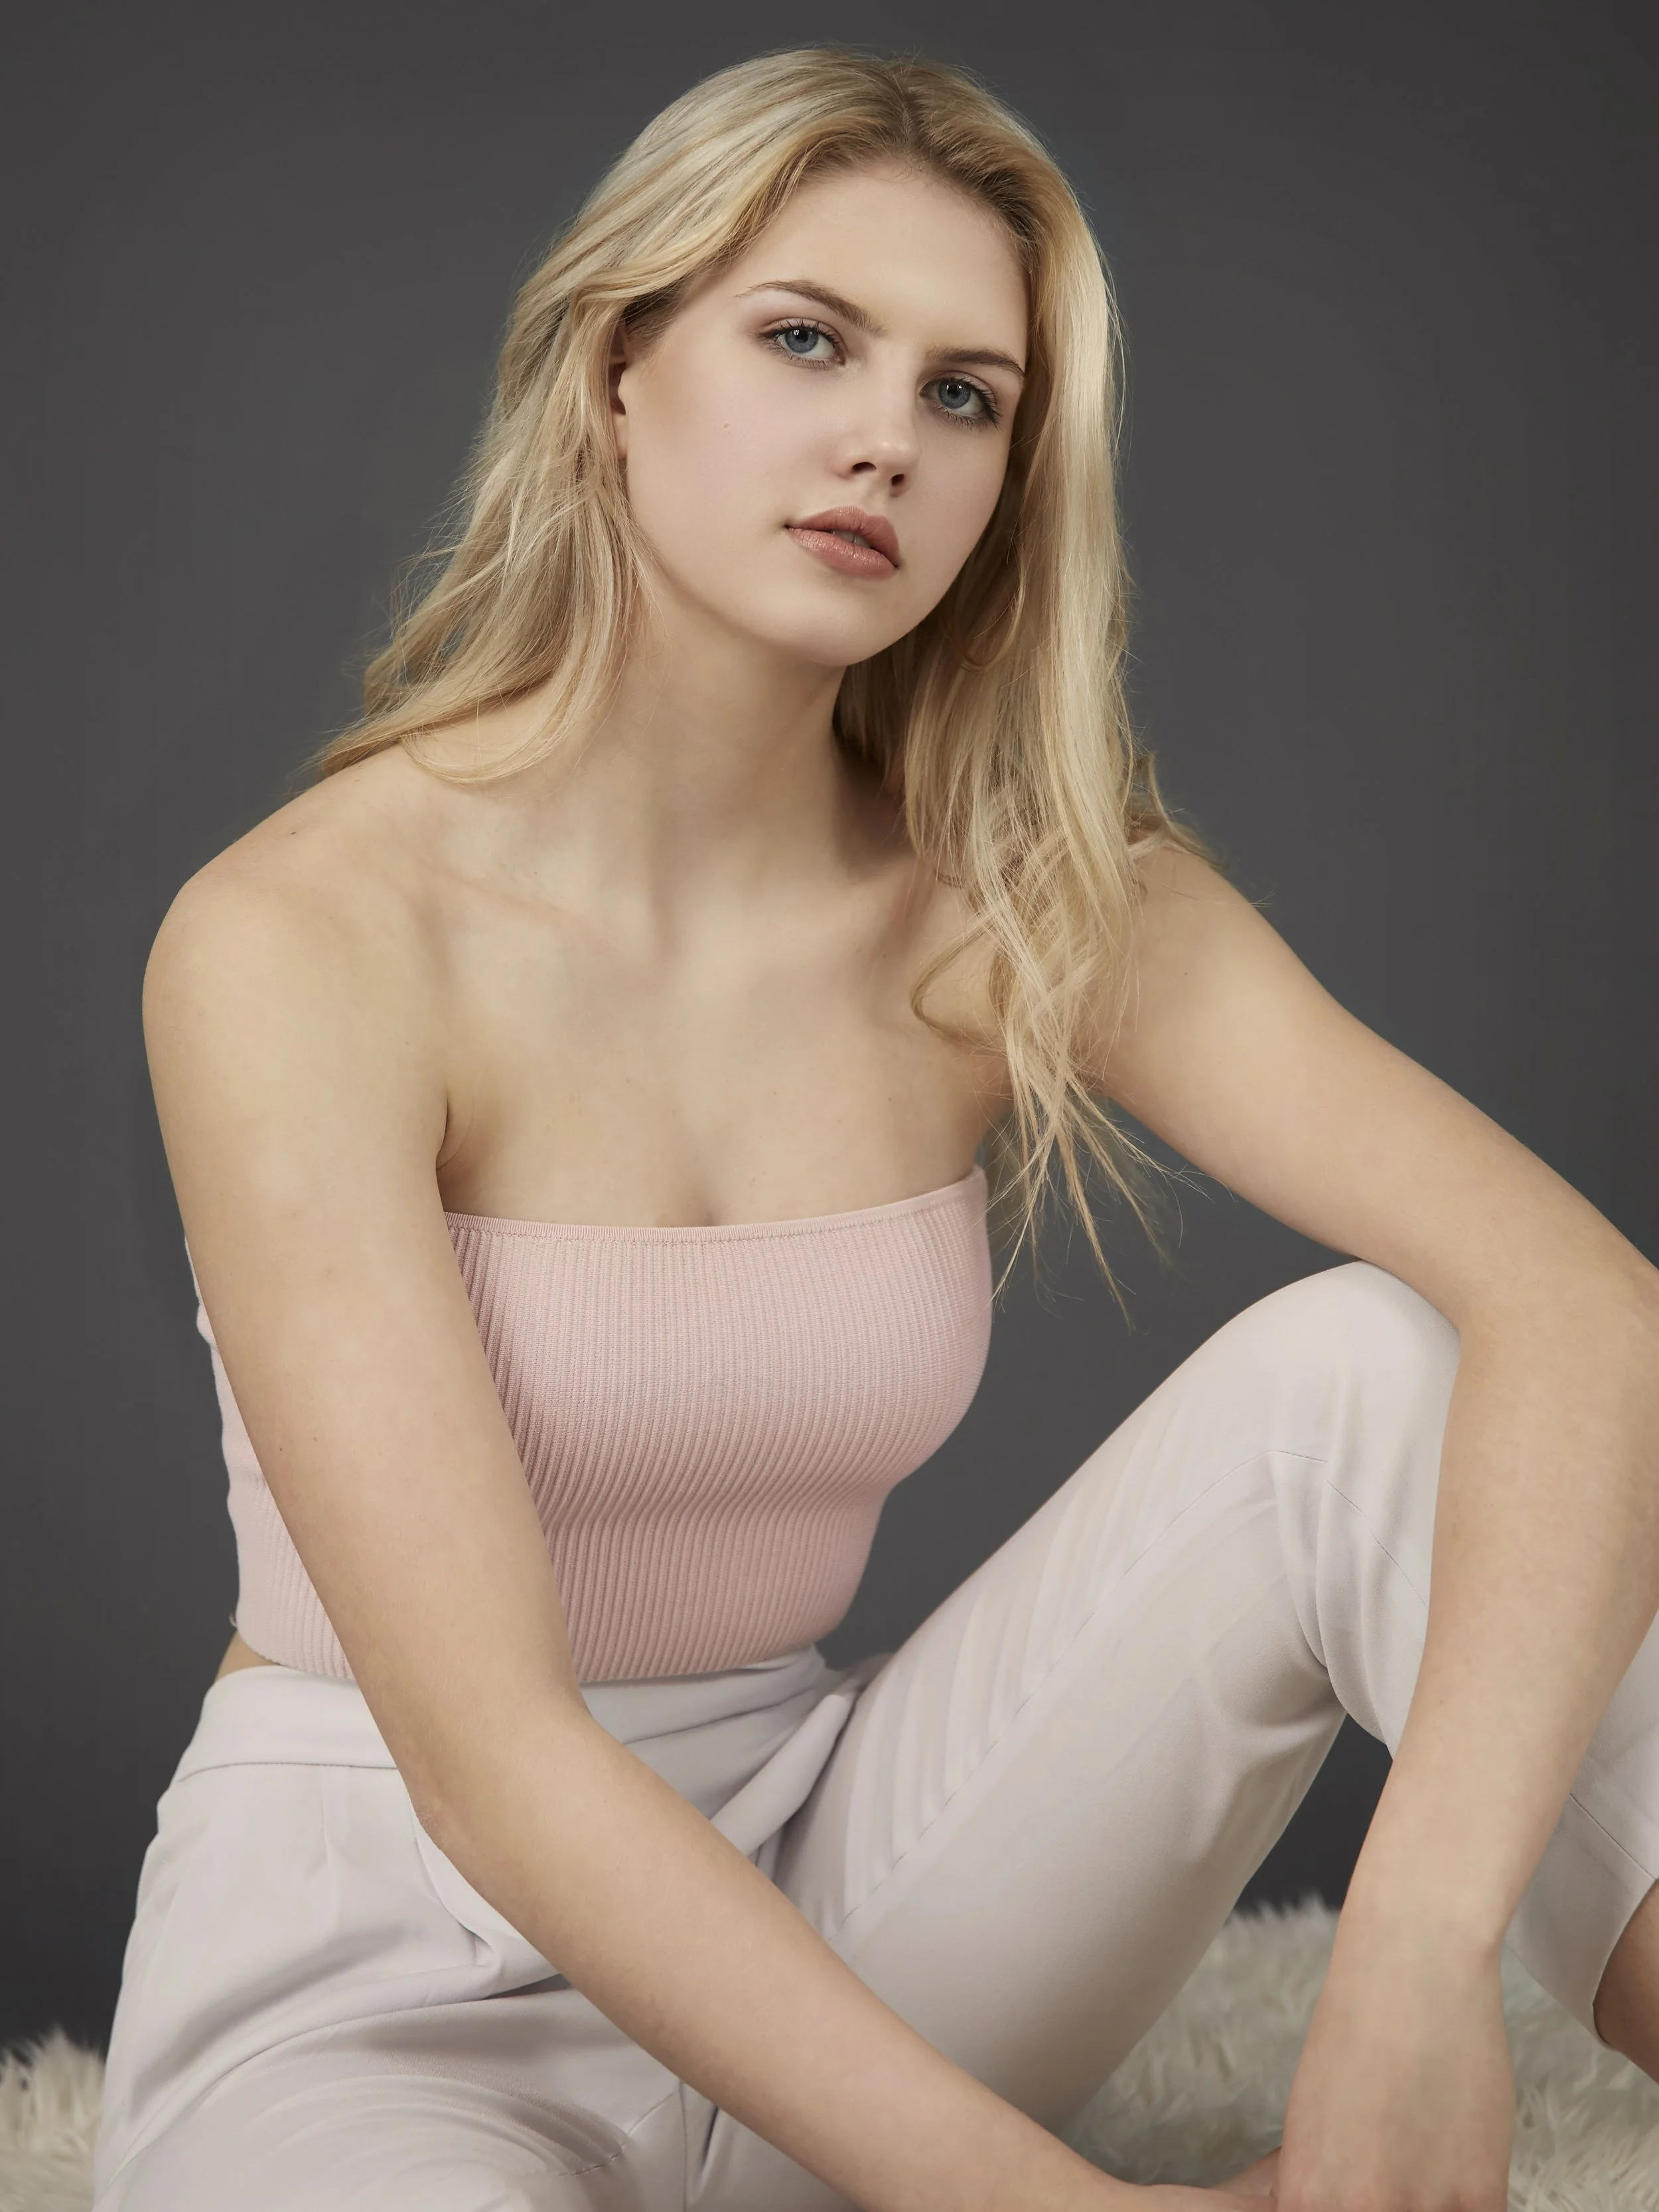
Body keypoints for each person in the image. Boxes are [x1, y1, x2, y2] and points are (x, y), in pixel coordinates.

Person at [90, 42, 1659, 2212]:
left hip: (846, 1888)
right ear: (615, 367)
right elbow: (495, 1760)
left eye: (964, 395)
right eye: (806, 338)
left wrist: (1413, 1952)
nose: (879, 439)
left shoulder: (1016, 897)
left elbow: (1583, 1304)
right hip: (379, 1957)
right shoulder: (297, 940)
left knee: (1370, 1378)